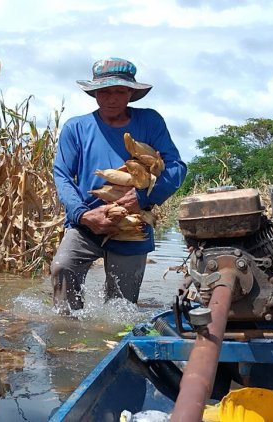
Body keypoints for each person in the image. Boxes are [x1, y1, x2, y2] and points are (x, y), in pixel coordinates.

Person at [51, 57, 187, 314]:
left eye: (119, 91)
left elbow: (176, 167)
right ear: (95, 94)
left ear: (130, 93)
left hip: (133, 224)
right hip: (87, 223)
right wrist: (83, 214)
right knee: (63, 268)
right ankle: (65, 338)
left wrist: (142, 198)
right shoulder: (76, 128)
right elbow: (62, 175)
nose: (111, 98)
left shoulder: (150, 122)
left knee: (121, 308)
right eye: (104, 91)